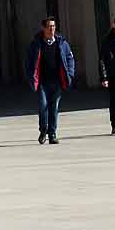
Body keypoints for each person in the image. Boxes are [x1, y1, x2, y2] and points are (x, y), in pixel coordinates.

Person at [26, 17, 75, 145]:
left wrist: (70, 74)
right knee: (43, 107)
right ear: (43, 28)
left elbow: (70, 59)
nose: (52, 29)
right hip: (42, 82)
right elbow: (29, 62)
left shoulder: (61, 43)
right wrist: (31, 77)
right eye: (49, 26)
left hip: (57, 81)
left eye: (53, 26)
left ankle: (52, 134)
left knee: (54, 108)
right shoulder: (36, 44)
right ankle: (43, 131)